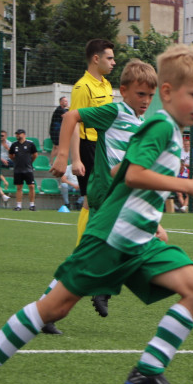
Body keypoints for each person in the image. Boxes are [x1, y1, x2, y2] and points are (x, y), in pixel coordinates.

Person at [0, 43, 193, 384]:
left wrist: (153, 221)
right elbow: (133, 174)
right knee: (54, 309)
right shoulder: (158, 126)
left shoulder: (164, 127)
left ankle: (148, 371)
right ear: (169, 93)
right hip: (110, 238)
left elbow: (125, 177)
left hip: (139, 239)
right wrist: (188, 186)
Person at [53, 60, 158, 317]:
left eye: (150, 96)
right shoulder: (113, 112)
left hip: (121, 193)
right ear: (124, 91)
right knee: (146, 240)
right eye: (140, 94)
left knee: (86, 257)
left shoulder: (140, 122)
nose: (146, 100)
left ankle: (48, 309)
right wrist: (63, 155)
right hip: (107, 192)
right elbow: (71, 116)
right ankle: (104, 287)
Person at [71, 39, 117, 242]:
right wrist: (76, 159)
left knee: (103, 198)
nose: (113, 62)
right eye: (110, 58)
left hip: (104, 147)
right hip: (88, 146)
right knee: (92, 199)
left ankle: (95, 245)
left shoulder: (106, 85)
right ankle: (82, 249)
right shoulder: (82, 87)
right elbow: (73, 122)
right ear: (96, 59)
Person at [9, 129, 39, 211]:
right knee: (19, 187)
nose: (18, 136)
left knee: (31, 186)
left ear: (24, 134)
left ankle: (32, 205)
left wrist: (30, 162)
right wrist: (16, 161)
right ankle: (19, 205)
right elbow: (11, 155)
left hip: (28, 169)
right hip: (18, 169)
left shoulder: (30, 144)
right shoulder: (14, 145)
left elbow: (35, 154)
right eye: (17, 134)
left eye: (19, 134)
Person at [48, 96, 68, 162]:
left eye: (67, 101)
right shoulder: (60, 110)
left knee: (55, 147)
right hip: (56, 131)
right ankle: (53, 162)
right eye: (64, 101)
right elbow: (66, 115)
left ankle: (52, 162)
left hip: (56, 131)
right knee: (57, 147)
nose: (66, 102)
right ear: (60, 102)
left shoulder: (62, 109)